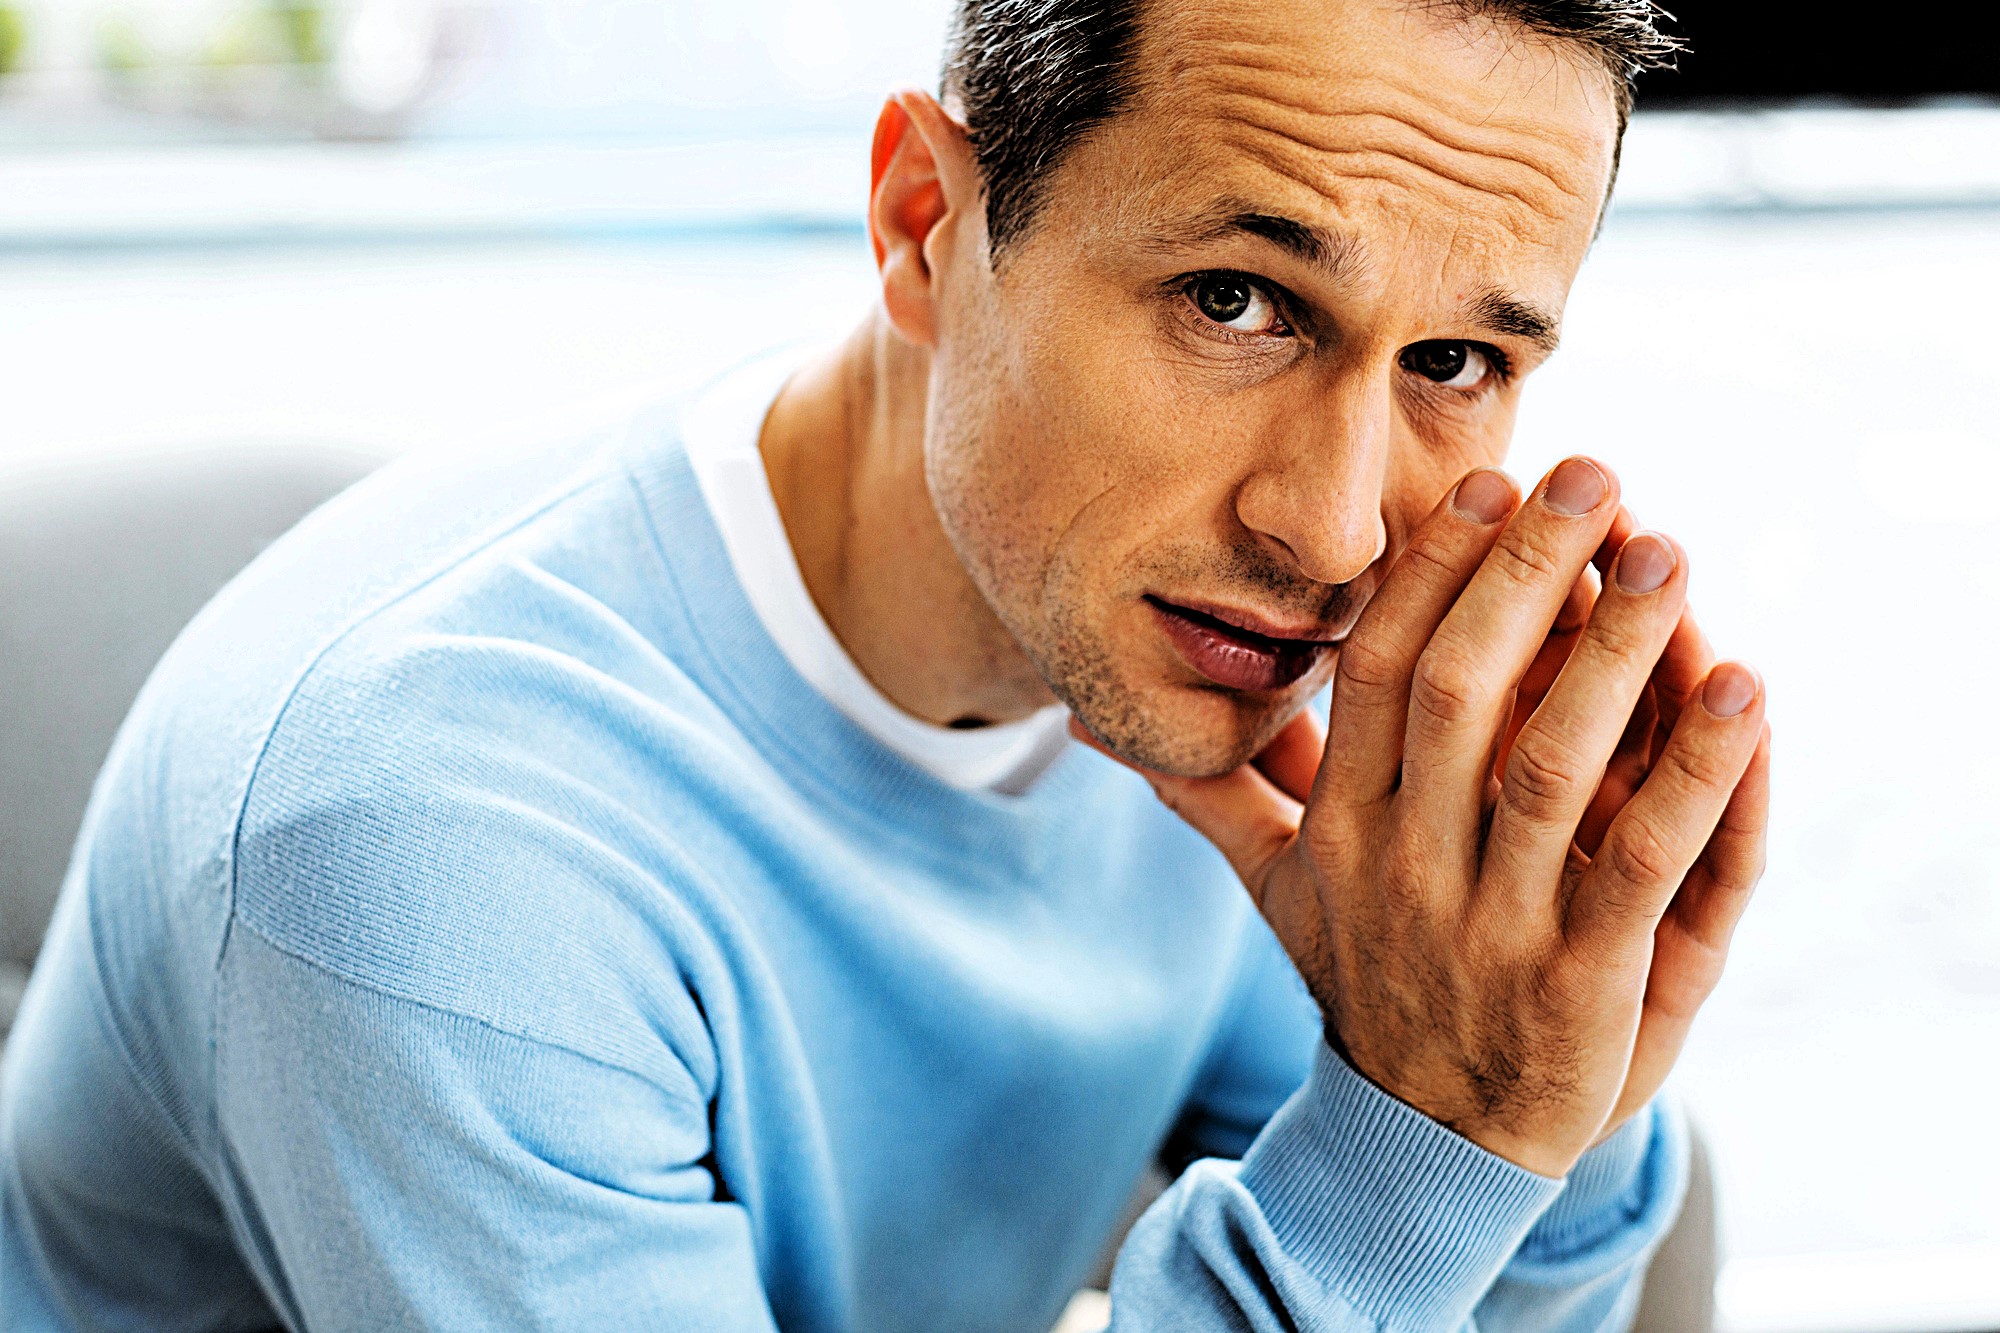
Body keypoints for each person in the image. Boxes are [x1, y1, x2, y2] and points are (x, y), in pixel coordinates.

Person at [0, 0, 1772, 1328]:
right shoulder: (429, 842)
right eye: (1235, 299)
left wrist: (1540, 1076)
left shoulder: (1191, 684)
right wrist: (1416, 1137)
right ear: (926, 220)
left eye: (1455, 357)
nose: (1334, 532)